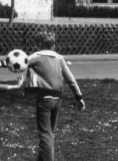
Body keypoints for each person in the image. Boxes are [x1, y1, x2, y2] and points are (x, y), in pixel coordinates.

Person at [25, 30, 85, 161]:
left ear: (38, 44)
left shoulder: (35, 56)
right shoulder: (59, 58)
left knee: (45, 135)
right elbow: (71, 80)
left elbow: (19, 63)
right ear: (53, 45)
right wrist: (79, 97)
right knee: (50, 133)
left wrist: (1, 64)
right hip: (58, 99)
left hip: (44, 100)